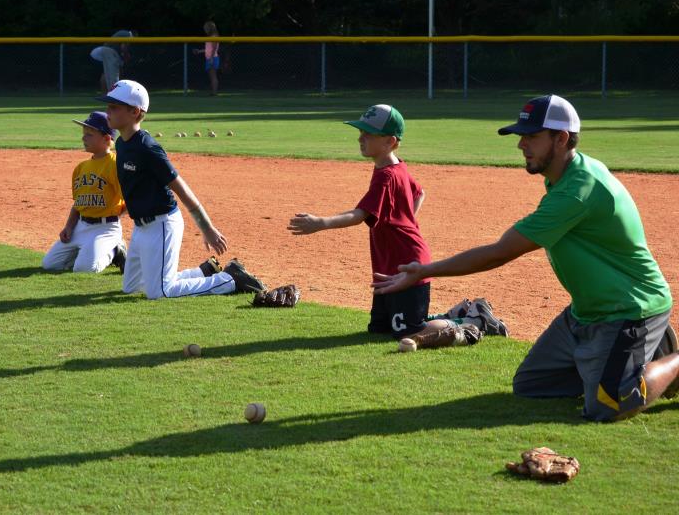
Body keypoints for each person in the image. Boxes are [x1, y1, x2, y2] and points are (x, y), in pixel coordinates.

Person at [373, 94, 679, 421]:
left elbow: (499, 253)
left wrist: (423, 271)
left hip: (629, 309)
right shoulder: (568, 174)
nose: (521, 144)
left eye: (532, 136)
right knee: (532, 384)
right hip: (587, 312)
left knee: (609, 403)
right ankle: (636, 355)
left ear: (561, 139)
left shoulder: (577, 191)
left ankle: (654, 361)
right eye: (521, 135)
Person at [288, 105, 506, 342]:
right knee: (381, 329)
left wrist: (320, 222)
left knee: (409, 331)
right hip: (389, 265)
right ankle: (460, 312)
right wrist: (405, 220)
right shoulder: (395, 166)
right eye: (361, 131)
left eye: (368, 133)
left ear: (390, 142)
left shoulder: (387, 176)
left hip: (407, 264)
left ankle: (475, 321)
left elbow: (361, 214)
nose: (361, 137)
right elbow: (419, 193)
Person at [97, 80, 266, 299]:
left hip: (162, 224)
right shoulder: (121, 143)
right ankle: (204, 272)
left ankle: (229, 279)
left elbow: (182, 190)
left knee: (161, 292)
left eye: (114, 107)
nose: (107, 111)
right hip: (141, 228)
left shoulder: (148, 148)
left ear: (135, 111)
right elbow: (136, 183)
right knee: (131, 287)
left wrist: (207, 228)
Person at [42, 111, 127, 273]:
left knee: (85, 269)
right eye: (84, 134)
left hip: (105, 228)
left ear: (107, 138)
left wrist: (113, 218)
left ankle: (115, 249)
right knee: (50, 264)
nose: (83, 138)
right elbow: (78, 204)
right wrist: (68, 227)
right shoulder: (81, 168)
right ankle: (88, 251)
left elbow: (130, 199)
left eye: (89, 134)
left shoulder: (115, 165)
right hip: (80, 226)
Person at [194, 21, 220, 95]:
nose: (205, 30)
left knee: (213, 76)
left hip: (213, 58)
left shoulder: (214, 36)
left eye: (206, 28)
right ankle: (213, 92)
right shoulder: (210, 37)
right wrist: (199, 51)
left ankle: (214, 93)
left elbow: (214, 48)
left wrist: (211, 58)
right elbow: (208, 49)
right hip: (209, 58)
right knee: (211, 77)